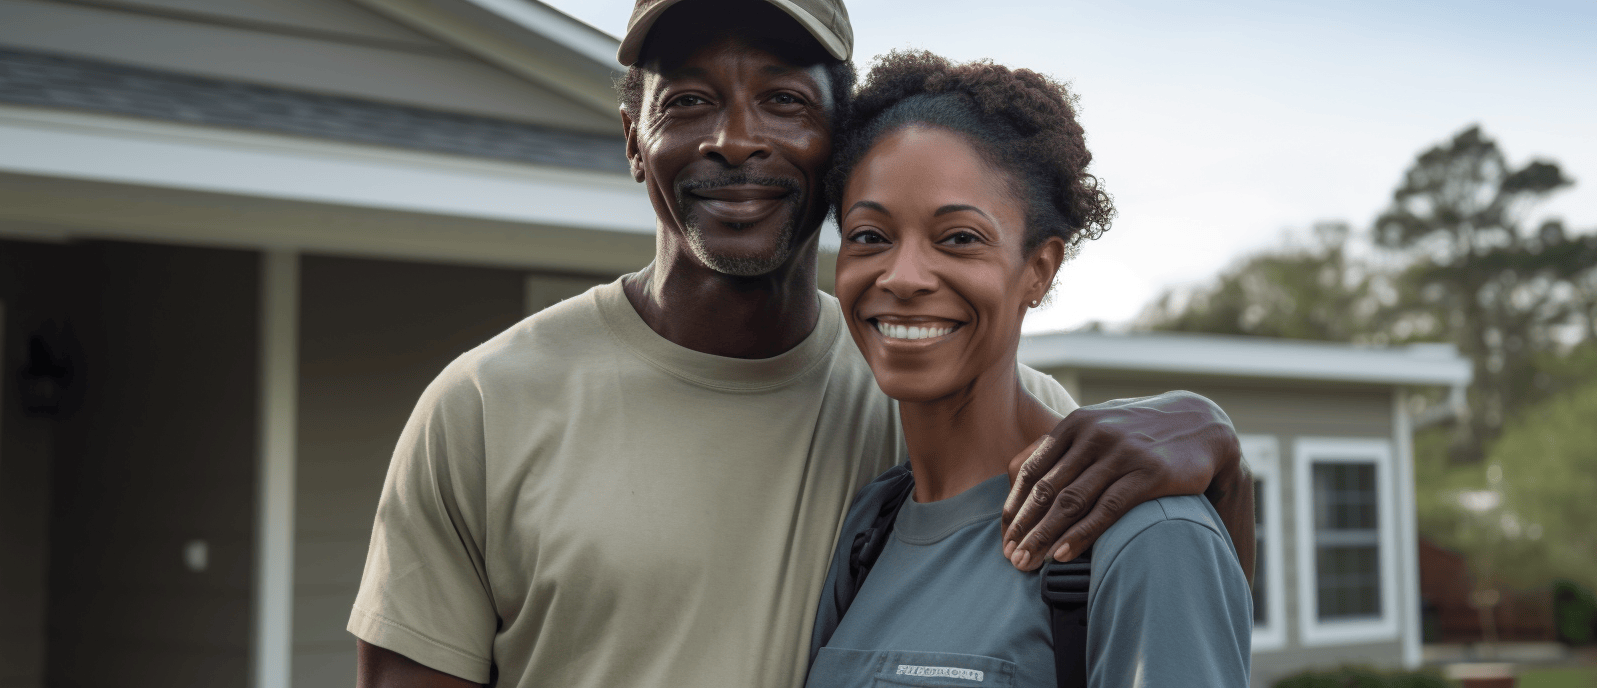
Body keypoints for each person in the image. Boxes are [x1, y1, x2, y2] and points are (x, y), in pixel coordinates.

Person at [351, 1, 1253, 687]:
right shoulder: (483, 407)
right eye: (689, 101)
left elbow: (1171, 589)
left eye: (783, 100)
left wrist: (1214, 444)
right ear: (633, 137)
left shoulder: (943, 393)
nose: (735, 139)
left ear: (837, 143)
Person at [805, 51, 1251, 687]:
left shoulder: (1144, 534)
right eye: (869, 236)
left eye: (959, 238)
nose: (901, 277)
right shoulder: (868, 533)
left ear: (1038, 270)